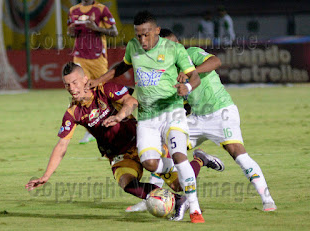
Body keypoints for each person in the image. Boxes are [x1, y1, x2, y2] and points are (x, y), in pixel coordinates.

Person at [25, 62, 223, 221]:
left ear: (85, 79)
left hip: (141, 141)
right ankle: (177, 200)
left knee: (180, 183)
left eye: (75, 82)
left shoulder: (104, 89)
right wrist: (46, 176)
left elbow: (131, 102)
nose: (72, 88)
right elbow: (62, 145)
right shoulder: (73, 112)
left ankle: (200, 159)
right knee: (126, 182)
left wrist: (119, 116)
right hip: (118, 154)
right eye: (67, 84)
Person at [86, 11, 206, 223]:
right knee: (150, 163)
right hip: (147, 117)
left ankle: (194, 209)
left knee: (178, 155)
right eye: (139, 35)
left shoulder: (174, 49)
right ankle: (195, 162)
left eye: (147, 34)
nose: (142, 40)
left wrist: (186, 86)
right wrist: (100, 80)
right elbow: (123, 66)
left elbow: (194, 75)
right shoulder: (133, 46)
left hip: (172, 112)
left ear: (157, 31)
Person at [161, 29, 276, 214]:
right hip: (196, 119)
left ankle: (267, 199)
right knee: (166, 149)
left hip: (221, 112)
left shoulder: (191, 54)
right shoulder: (168, 71)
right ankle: (154, 197)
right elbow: (185, 102)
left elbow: (216, 61)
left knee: (237, 153)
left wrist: (190, 72)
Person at [67, 0, 118, 144]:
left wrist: (96, 28)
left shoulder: (101, 9)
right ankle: (90, 131)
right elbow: (70, 32)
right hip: (80, 57)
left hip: (98, 58)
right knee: (80, 93)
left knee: (103, 92)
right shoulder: (73, 10)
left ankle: (113, 125)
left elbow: (114, 32)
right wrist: (71, 31)